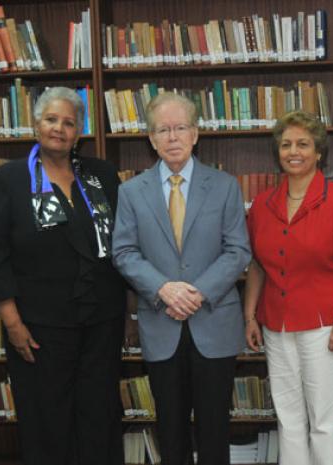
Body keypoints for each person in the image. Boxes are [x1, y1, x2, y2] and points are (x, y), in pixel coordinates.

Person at [0, 87, 127, 465]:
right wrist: (11, 322)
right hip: (39, 328)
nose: (59, 128)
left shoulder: (102, 175)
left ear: (79, 132)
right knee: (48, 420)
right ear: (36, 124)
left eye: (69, 122)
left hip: (101, 322)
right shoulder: (9, 180)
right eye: (51, 119)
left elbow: (124, 240)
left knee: (98, 415)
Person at [112, 92, 251, 465]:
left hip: (214, 323)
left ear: (196, 134)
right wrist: (164, 289)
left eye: (180, 128)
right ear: (151, 139)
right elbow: (123, 252)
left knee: (215, 430)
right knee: (170, 431)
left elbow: (238, 250)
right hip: (161, 325)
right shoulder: (130, 192)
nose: (172, 137)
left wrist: (197, 293)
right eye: (163, 129)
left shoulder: (224, 186)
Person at [242, 111, 333, 465]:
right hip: (276, 326)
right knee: (288, 418)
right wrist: (250, 316)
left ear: (318, 152)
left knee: (324, 423)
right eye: (285, 144)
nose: (293, 151)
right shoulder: (263, 205)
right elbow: (258, 266)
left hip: (324, 326)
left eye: (302, 144)